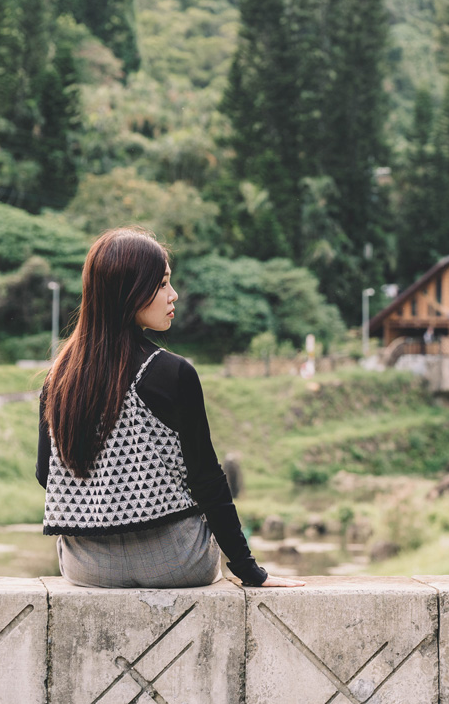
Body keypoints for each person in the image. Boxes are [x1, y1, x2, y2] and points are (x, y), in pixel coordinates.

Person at [37, 227, 303, 589]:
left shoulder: (58, 379)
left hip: (87, 565)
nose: (173, 295)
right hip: (175, 561)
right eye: (162, 284)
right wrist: (250, 571)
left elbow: (45, 474)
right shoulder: (172, 371)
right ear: (129, 292)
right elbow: (207, 480)